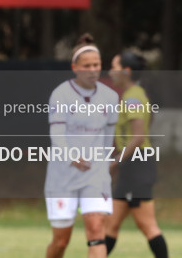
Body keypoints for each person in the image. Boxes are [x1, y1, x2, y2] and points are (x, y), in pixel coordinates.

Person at [44, 33, 118, 258]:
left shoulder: (110, 97)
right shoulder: (61, 94)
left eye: (96, 65)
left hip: (94, 175)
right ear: (75, 67)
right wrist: (71, 158)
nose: (93, 70)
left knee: (96, 231)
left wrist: (105, 163)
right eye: (87, 66)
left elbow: (108, 137)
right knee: (61, 241)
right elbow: (56, 134)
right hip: (62, 176)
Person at [105, 51, 168, 257]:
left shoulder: (133, 97)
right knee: (111, 225)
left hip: (137, 167)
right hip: (132, 167)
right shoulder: (132, 95)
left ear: (127, 71)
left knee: (148, 226)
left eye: (114, 66)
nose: (111, 71)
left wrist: (115, 162)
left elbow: (138, 137)